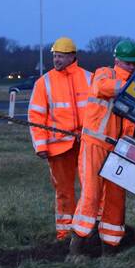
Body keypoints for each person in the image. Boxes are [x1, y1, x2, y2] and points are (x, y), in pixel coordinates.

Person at [69, 40, 135, 259]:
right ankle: (76, 247)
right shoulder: (105, 74)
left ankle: (110, 248)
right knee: (91, 194)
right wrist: (129, 85)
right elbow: (102, 87)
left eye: (133, 64)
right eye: (127, 63)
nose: (130, 67)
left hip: (119, 149)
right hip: (95, 143)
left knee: (116, 198)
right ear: (117, 60)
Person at [27, 36, 93, 241]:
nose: (57, 60)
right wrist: (40, 146)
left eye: (61, 56)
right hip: (58, 148)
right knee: (64, 192)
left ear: (73, 56)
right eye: (55, 56)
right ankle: (65, 233)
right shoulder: (43, 83)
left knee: (91, 189)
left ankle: (88, 230)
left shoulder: (89, 78)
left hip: (86, 144)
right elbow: (35, 116)